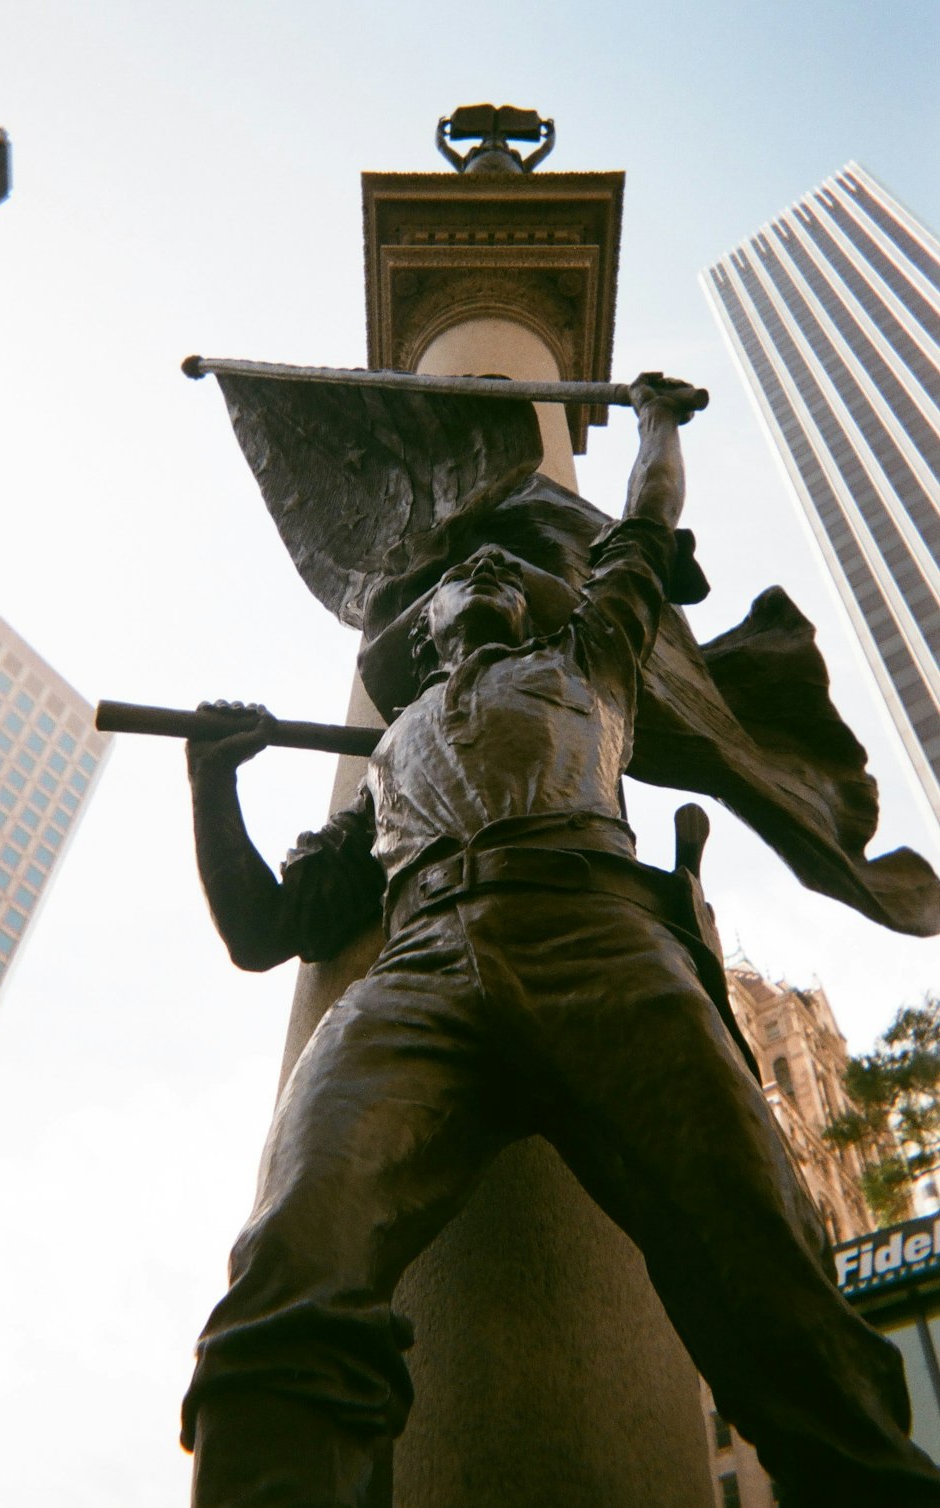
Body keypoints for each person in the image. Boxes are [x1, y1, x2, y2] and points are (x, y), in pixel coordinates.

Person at [180, 375, 940, 1507]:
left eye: (501, 567)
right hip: (419, 970)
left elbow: (644, 524)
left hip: (601, 945)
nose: (481, 570)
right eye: (451, 578)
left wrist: (658, 424)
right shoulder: (386, 769)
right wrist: (211, 786)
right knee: (290, 1259)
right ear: (421, 630)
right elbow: (260, 929)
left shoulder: (592, 662)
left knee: (761, 1264)